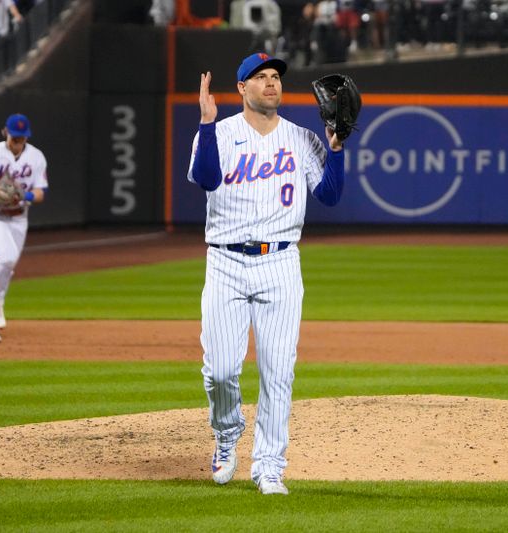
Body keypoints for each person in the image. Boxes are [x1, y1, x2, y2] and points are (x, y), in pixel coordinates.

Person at [187, 53, 345, 495]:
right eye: (260, 77)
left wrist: (335, 150)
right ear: (242, 89)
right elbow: (206, 179)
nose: (271, 83)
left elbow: (330, 196)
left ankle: (269, 466)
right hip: (225, 261)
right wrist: (205, 122)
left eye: (276, 77)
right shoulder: (216, 133)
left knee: (278, 372)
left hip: (279, 262)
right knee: (220, 371)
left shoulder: (301, 138)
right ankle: (225, 431)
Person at [0, 113, 48, 342]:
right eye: (15, 138)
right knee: (7, 257)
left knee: (4, 264)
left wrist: (26, 194)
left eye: (22, 138)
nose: (18, 142)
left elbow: (42, 191)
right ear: (6, 132)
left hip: (19, 218)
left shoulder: (36, 157)